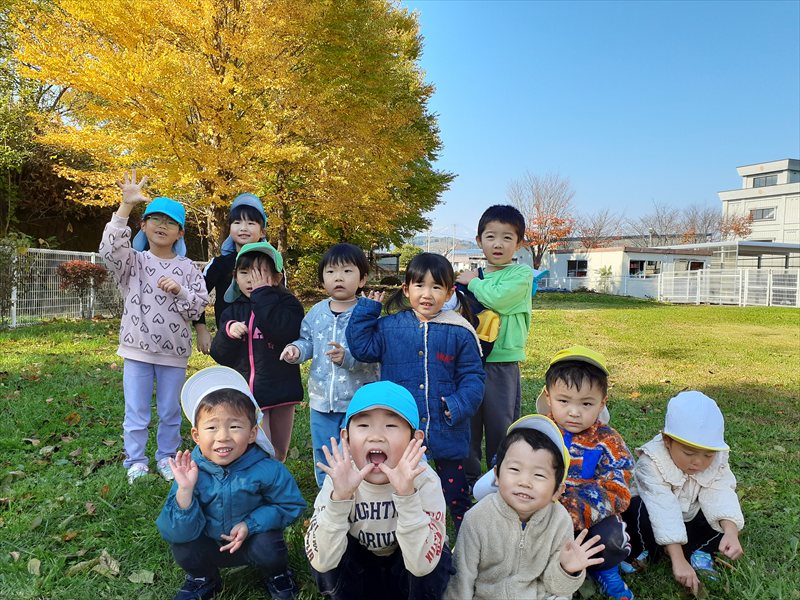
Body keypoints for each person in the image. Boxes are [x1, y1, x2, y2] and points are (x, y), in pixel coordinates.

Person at [473, 346, 635, 600]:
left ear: (602, 403)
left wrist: (575, 509)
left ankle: (605, 570)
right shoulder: (535, 432)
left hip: (588, 517)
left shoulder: (608, 441)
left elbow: (618, 486)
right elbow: (505, 462)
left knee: (611, 537)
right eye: (564, 401)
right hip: (536, 507)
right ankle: (526, 569)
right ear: (548, 397)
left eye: (586, 403)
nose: (574, 412)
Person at [346, 252, 485, 533]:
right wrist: (366, 311)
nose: (427, 294)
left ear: (449, 293)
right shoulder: (389, 327)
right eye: (420, 285)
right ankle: (403, 534)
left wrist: (458, 404)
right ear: (406, 289)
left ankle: (465, 536)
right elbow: (362, 348)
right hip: (402, 430)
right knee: (401, 487)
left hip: (446, 426)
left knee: (455, 491)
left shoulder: (460, 331)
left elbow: (473, 377)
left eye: (436, 287)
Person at [156, 366, 305, 600]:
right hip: (208, 543)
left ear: (252, 433)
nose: (223, 436)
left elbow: (291, 505)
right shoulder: (191, 472)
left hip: (251, 541)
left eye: (234, 426)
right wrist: (185, 490)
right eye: (211, 427)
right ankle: (202, 577)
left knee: (269, 544)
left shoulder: (268, 469)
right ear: (196, 435)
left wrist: (251, 524)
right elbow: (172, 531)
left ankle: (277, 573)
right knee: (183, 545)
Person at [99, 169, 208, 484]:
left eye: (170, 222)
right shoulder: (133, 262)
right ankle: (135, 461)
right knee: (136, 411)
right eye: (155, 219)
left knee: (170, 411)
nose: (162, 225)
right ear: (143, 226)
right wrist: (125, 206)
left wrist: (180, 290)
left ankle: (166, 458)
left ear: (180, 233)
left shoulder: (188, 269)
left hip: (174, 354)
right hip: (136, 350)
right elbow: (109, 251)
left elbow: (198, 306)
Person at [304, 381, 453, 600]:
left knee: (436, 561)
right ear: (346, 438)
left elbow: (422, 566)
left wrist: (407, 495)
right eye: (364, 425)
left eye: (391, 426)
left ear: (414, 440)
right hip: (361, 566)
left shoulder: (424, 480)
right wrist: (340, 498)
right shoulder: (340, 478)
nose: (376, 436)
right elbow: (322, 561)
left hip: (408, 565)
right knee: (329, 541)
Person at [445, 415, 605, 600]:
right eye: (514, 469)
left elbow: (557, 587)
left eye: (539, 475)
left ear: (557, 491)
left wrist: (566, 569)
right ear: (497, 475)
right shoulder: (477, 518)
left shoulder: (559, 521)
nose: (525, 482)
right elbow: (461, 579)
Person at [622, 391, 745, 596]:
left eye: (708, 455)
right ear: (667, 440)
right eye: (688, 453)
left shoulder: (717, 462)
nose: (698, 462)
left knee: (725, 515)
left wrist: (731, 531)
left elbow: (721, 494)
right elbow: (662, 508)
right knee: (637, 511)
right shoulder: (651, 463)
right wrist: (678, 560)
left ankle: (700, 550)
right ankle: (644, 549)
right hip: (654, 517)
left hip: (689, 516)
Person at [279, 243, 379, 487]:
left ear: (362, 279)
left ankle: (356, 488)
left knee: (354, 448)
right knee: (324, 448)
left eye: (347, 271)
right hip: (322, 398)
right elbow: (307, 341)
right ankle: (327, 492)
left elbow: (374, 352)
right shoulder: (316, 312)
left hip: (357, 400)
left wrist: (347, 358)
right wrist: (296, 350)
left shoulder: (366, 314)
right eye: (331, 272)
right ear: (323, 279)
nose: (338, 278)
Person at [457, 205, 534, 489]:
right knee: (468, 421)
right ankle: (466, 478)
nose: (498, 244)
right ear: (479, 241)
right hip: (468, 361)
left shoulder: (520, 274)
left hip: (502, 363)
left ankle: (500, 476)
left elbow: (499, 299)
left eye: (507, 237)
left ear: (519, 243)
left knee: (500, 423)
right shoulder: (472, 277)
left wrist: (473, 284)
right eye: (490, 236)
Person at [210, 242, 303, 462]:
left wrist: (262, 295)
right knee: (262, 447)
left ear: (277, 278)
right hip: (250, 393)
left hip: (282, 391)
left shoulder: (288, 305)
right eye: (245, 273)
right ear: (235, 277)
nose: (252, 279)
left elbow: (281, 331)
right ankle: (260, 476)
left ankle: (276, 475)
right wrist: (228, 333)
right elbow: (220, 354)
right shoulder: (232, 310)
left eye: (260, 273)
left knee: (279, 450)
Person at [194, 193, 268, 354]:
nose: (243, 228)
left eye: (250, 223)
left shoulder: (272, 264)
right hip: (228, 340)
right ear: (229, 228)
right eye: (237, 222)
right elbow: (197, 296)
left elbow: (281, 301)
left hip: (264, 343)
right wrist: (201, 328)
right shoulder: (218, 264)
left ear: (262, 231)